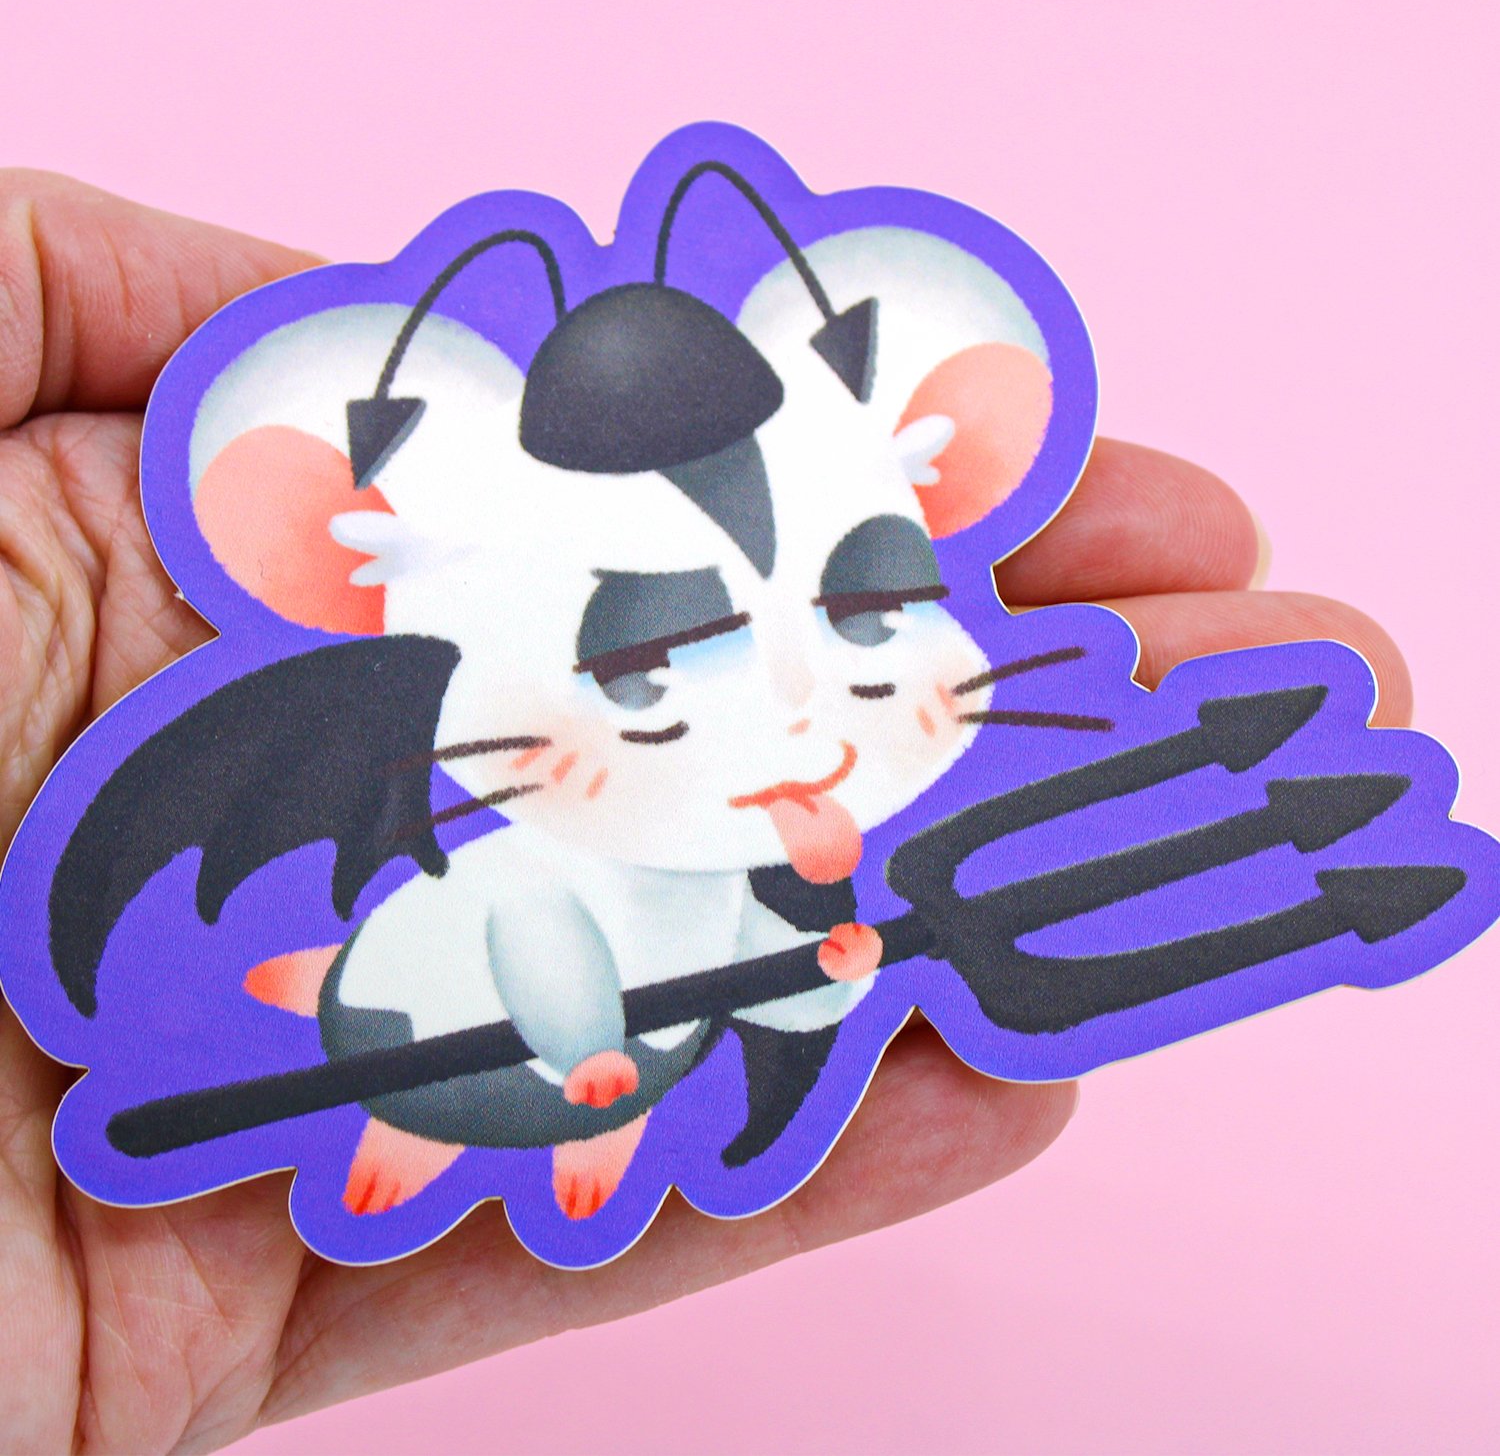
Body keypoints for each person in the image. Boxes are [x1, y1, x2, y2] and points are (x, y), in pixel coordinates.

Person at [0, 171, 1412, 1453]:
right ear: (345, 565)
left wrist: (826, 965)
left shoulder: (750, 849)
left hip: (622, 1069)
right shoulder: (508, 852)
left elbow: (763, 964)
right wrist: (582, 1045)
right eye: (650, 667)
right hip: (446, 1027)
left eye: (874, 616)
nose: (801, 718)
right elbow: (539, 937)